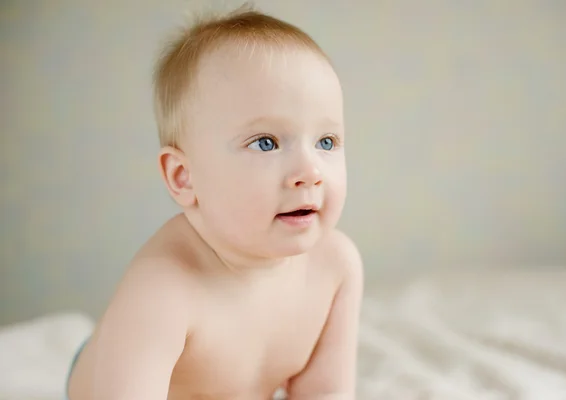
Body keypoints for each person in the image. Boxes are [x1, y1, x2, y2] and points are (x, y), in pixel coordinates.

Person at [66, 3, 363, 399]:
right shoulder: (164, 289)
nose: (310, 171)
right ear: (183, 177)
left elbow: (325, 393)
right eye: (266, 143)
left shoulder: (335, 267)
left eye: (326, 141)